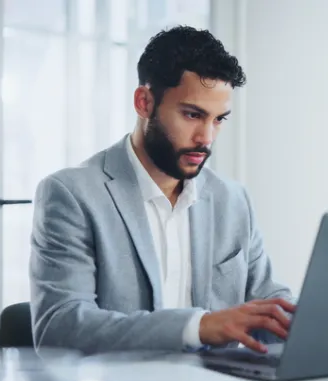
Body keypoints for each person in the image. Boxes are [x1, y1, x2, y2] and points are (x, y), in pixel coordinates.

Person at [29, 26, 295, 356]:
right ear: (144, 102)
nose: (206, 137)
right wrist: (197, 327)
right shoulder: (72, 195)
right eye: (192, 115)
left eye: (218, 119)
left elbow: (270, 305)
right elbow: (60, 328)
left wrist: (317, 324)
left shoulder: (233, 200)